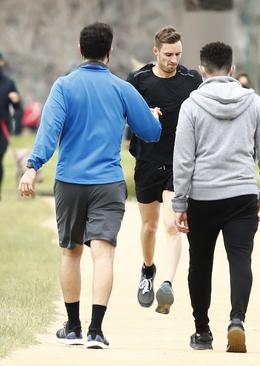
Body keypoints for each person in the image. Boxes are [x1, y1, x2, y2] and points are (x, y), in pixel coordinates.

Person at [18, 22, 161, 349]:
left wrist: (31, 168)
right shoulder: (122, 88)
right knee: (103, 254)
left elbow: (48, 133)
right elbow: (150, 132)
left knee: (71, 251)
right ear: (109, 52)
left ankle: (72, 327)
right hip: (108, 183)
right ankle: (96, 330)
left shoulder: (64, 87)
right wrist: (153, 116)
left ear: (81, 50)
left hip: (69, 182)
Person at [172, 41, 260, 352]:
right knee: (240, 259)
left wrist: (180, 201)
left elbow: (183, 159)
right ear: (231, 69)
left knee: (200, 263)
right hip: (242, 193)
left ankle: (202, 331)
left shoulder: (191, 105)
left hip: (202, 196)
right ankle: (237, 319)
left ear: (202, 69)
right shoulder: (253, 103)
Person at [128, 26, 202, 314]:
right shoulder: (139, 81)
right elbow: (125, 119)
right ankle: (148, 270)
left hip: (178, 163)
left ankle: (167, 284)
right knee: (149, 226)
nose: (174, 59)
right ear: (155, 51)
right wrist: (143, 116)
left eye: (178, 54)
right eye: (168, 54)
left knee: (173, 226)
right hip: (147, 160)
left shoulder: (191, 80)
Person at [0, 52, 22, 197]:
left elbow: (18, 109)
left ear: (2, 62)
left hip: (2, 129)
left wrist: (16, 101)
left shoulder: (9, 83)